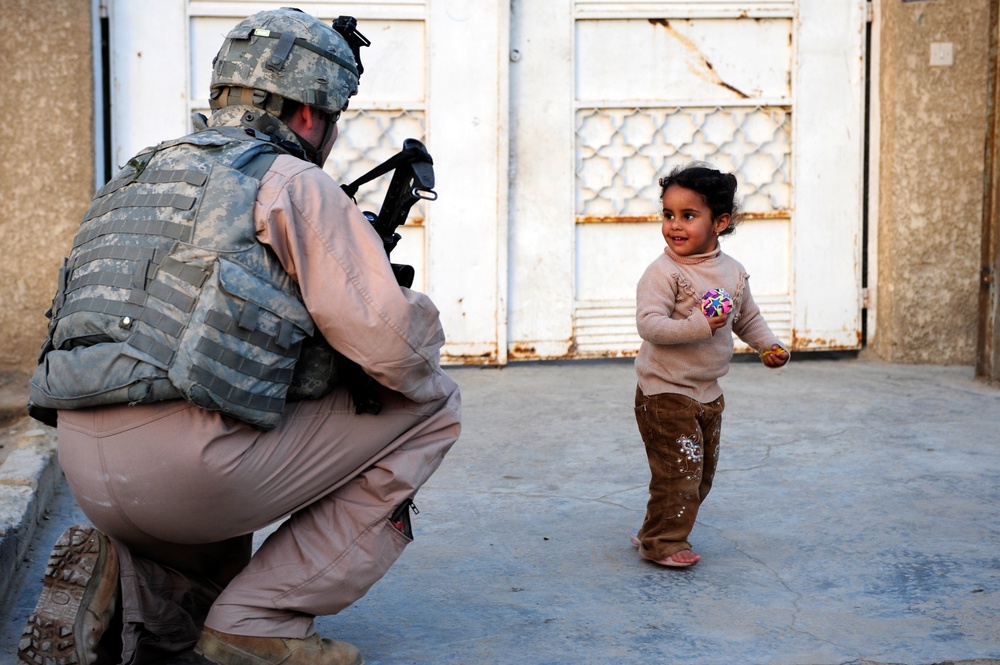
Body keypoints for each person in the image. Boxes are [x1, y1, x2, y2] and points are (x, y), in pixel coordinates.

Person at [19, 8, 460, 665]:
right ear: (310, 115)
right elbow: (393, 347)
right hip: (188, 476)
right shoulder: (291, 181)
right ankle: (258, 618)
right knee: (433, 406)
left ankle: (131, 588)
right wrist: (411, 309)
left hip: (88, 467)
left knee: (234, 392)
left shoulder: (137, 173)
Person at [630, 163, 788, 568]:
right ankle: (663, 542)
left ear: (720, 222)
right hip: (664, 392)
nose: (674, 226)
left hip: (708, 392)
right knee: (677, 473)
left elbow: (746, 317)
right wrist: (699, 326)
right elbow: (649, 325)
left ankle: (656, 530)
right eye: (668, 215)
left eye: (688, 215)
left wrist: (766, 344)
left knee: (699, 476)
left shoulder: (732, 271)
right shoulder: (664, 273)